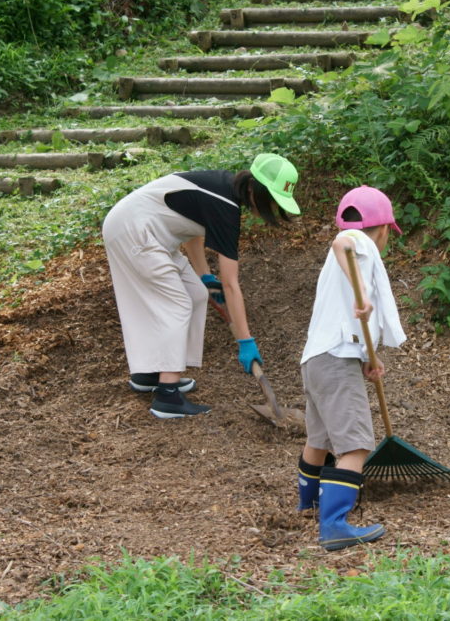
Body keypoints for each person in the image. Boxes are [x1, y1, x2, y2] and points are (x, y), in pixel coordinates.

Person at [101, 153, 300, 419]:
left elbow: (192, 227)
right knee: (177, 304)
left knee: (194, 293)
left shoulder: (222, 187)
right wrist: (246, 341)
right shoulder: (226, 206)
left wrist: (204, 277)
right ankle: (168, 395)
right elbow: (230, 284)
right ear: (256, 190)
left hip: (144, 231)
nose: (272, 208)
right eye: (272, 200)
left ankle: (151, 374)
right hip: (135, 231)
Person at [296, 185, 407, 551]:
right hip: (335, 361)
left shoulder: (348, 265)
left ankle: (308, 505)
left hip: (317, 359)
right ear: (384, 229)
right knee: (356, 445)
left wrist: (369, 358)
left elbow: (349, 323)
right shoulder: (358, 242)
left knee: (319, 441)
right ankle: (334, 525)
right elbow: (342, 242)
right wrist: (361, 290)